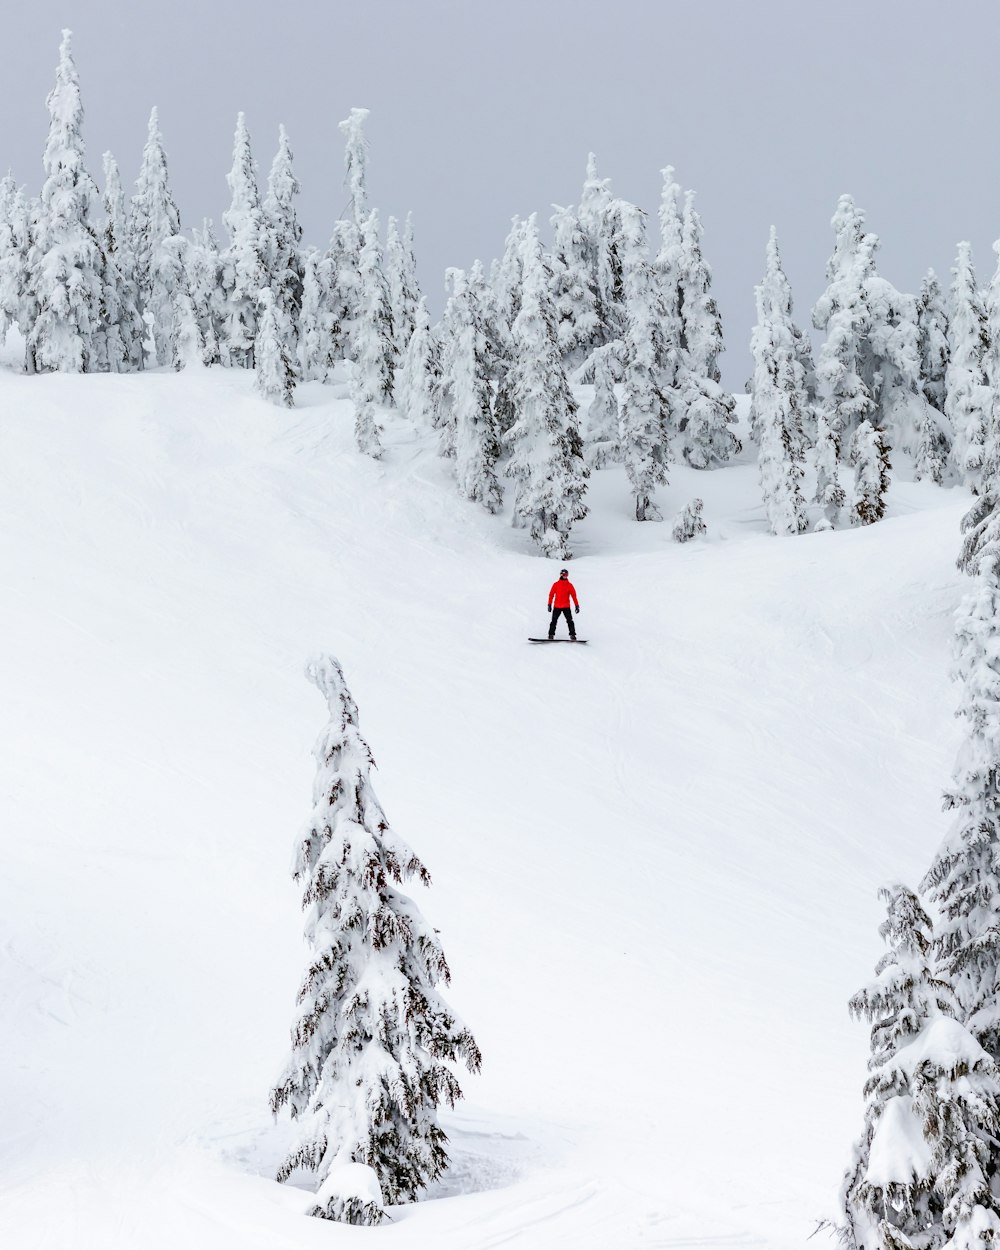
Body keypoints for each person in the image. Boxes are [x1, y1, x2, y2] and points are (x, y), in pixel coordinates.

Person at [547, 568, 580, 640]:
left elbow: (574, 596)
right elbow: (551, 594)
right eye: (564, 574)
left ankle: (572, 635)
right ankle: (551, 635)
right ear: (561, 575)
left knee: (570, 621)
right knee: (554, 621)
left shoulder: (569, 585)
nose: (565, 576)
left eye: (566, 575)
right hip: (557, 606)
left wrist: (577, 605)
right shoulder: (556, 584)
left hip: (566, 607)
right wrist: (549, 604)